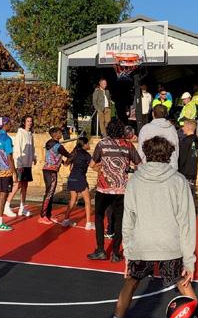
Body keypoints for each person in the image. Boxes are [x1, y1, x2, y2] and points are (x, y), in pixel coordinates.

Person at [99, 136, 198, 318]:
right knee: (184, 286)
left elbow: (128, 220)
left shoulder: (135, 181)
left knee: (129, 285)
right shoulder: (179, 181)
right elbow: (186, 222)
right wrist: (189, 261)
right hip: (171, 246)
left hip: (142, 245)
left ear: (145, 154)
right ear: (169, 154)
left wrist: (128, 254)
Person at [87, 118, 141, 262]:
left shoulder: (102, 144)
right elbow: (139, 164)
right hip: (121, 189)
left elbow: (92, 164)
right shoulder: (128, 145)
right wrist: (128, 170)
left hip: (103, 188)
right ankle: (116, 253)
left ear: (109, 130)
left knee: (99, 217)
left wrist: (102, 170)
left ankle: (100, 250)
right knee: (119, 220)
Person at [61, 137, 96, 229]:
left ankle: (65, 220)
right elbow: (92, 165)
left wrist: (61, 160)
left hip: (72, 178)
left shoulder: (74, 153)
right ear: (84, 145)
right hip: (80, 178)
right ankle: (88, 223)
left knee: (73, 200)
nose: (89, 145)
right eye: (88, 143)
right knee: (87, 201)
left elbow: (66, 164)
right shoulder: (86, 155)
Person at [5, 115, 37, 217]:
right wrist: (19, 164)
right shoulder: (20, 132)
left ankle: (22, 208)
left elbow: (32, 148)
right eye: (28, 121)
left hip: (28, 164)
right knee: (17, 185)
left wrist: (34, 157)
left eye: (31, 121)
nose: (30, 123)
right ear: (24, 122)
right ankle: (6, 206)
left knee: (25, 186)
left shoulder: (30, 134)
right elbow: (17, 148)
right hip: (21, 164)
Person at [38, 127, 71, 224]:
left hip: (47, 170)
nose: (61, 134)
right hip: (51, 171)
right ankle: (43, 216)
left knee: (50, 193)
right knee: (49, 193)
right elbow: (68, 155)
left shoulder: (50, 143)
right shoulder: (58, 146)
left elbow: (55, 156)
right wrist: (76, 152)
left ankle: (48, 214)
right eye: (60, 133)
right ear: (55, 134)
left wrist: (63, 162)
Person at [0, 116, 17, 231]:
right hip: (4, 171)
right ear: (4, 125)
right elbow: (9, 157)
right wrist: (14, 172)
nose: (11, 125)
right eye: (9, 123)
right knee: (3, 195)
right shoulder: (7, 139)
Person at [138, 104, 179, 169]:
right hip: (169, 167)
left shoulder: (146, 128)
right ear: (166, 115)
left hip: (150, 167)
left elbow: (140, 151)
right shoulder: (172, 129)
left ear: (153, 114)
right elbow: (176, 150)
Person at [178, 119, 198, 201]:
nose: (182, 128)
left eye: (184, 126)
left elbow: (182, 157)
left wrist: (178, 169)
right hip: (193, 171)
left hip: (185, 172)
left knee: (184, 197)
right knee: (190, 196)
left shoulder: (186, 141)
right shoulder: (196, 140)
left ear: (188, 127)